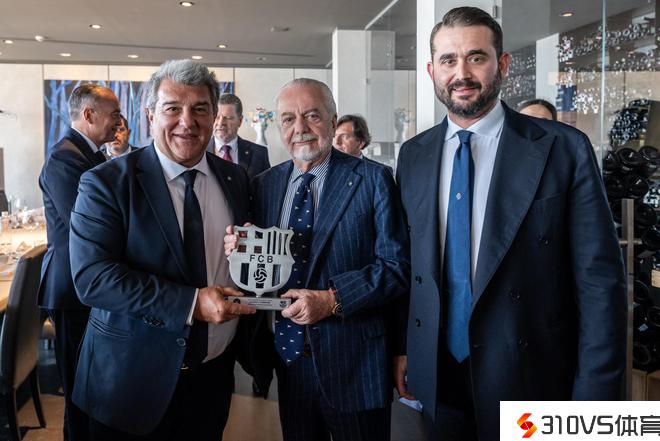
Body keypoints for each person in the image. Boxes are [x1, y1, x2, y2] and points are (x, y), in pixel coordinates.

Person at [395, 7, 626, 440]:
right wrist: (404, 348)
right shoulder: (413, 155)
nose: (461, 74)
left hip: (532, 378)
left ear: (502, 64)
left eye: (476, 57)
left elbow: (600, 284)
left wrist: (595, 406)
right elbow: (410, 267)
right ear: (431, 71)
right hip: (440, 378)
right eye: (448, 60)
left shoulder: (563, 148)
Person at [68, 59, 256, 441]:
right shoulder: (105, 183)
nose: (187, 121)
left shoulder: (236, 179)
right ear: (150, 115)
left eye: (200, 109)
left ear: (213, 115)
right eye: (173, 108)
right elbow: (93, 278)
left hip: (212, 379)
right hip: (130, 384)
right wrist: (191, 304)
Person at [226, 78, 409, 441]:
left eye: (312, 115)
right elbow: (261, 263)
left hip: (355, 362)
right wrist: (240, 248)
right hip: (289, 362)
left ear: (332, 119)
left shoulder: (373, 179)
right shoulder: (264, 185)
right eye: (288, 119)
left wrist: (332, 299)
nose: (300, 128)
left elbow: (396, 268)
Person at [39, 83, 120, 441]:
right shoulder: (65, 158)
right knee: (78, 392)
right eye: (114, 114)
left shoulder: (90, 155)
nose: (120, 121)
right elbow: (87, 224)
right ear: (89, 115)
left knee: (93, 389)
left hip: (90, 287)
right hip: (72, 290)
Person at [207, 93, 270, 179]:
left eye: (228, 118)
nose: (221, 123)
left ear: (240, 121)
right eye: (216, 117)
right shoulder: (199, 152)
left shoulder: (259, 153)